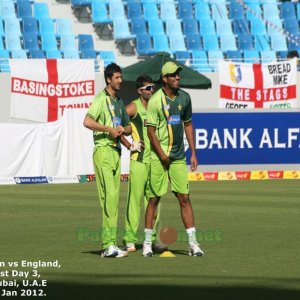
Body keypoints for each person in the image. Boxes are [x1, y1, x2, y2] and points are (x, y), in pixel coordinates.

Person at [142, 61, 204, 257]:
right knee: (153, 199)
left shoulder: (185, 98)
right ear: (164, 79)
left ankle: (193, 244)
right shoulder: (155, 100)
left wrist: (193, 153)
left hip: (178, 157)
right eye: (173, 75)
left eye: (178, 74)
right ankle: (146, 243)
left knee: (184, 198)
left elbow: (188, 126)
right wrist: (161, 155)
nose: (177, 77)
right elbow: (150, 131)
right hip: (158, 157)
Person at [83, 63, 131, 258]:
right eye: (117, 77)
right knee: (109, 198)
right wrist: (108, 129)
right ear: (108, 79)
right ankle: (108, 244)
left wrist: (121, 130)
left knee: (113, 200)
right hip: (103, 151)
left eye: (121, 77)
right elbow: (87, 121)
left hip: (116, 152)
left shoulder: (119, 101)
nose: (121, 80)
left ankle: (110, 244)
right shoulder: (101, 99)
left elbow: (128, 127)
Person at [121, 75, 166, 253]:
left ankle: (151, 238)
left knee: (155, 200)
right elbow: (118, 125)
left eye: (153, 87)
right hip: (138, 160)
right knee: (135, 200)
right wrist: (130, 144)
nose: (152, 90)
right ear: (140, 91)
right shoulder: (133, 106)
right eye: (148, 88)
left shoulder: (157, 107)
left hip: (155, 161)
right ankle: (130, 240)